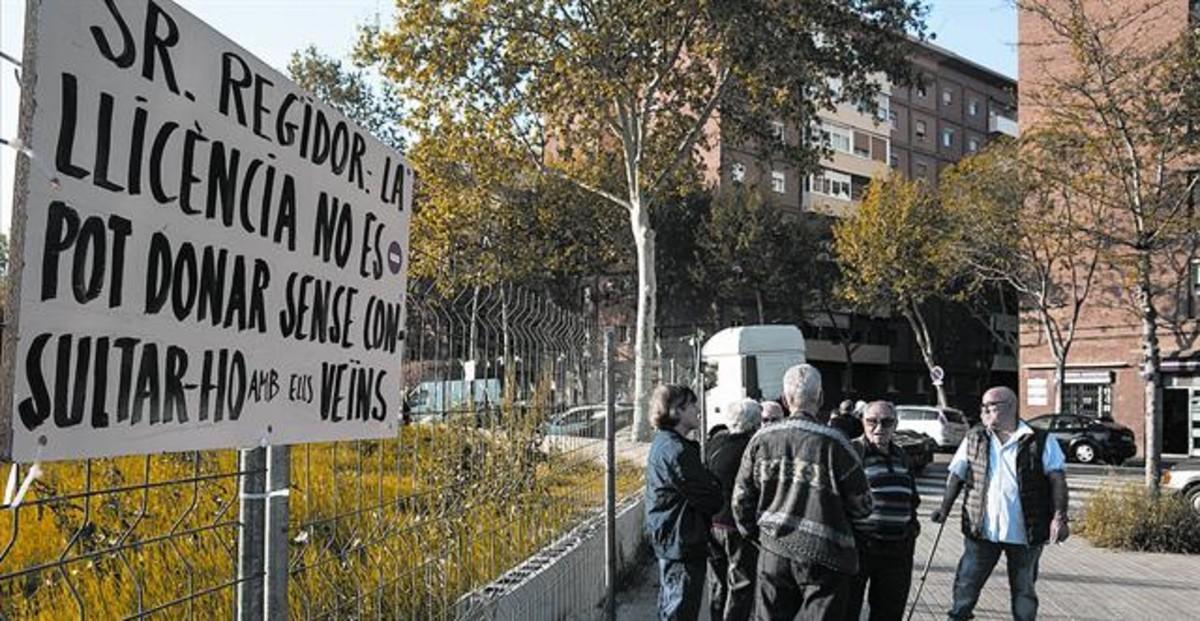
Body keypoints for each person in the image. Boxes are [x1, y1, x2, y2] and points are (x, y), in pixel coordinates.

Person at [732, 365, 874, 621]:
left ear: (785, 400)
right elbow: (863, 506)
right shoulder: (837, 444)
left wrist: (759, 537)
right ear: (820, 398)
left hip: (773, 553)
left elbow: (741, 500)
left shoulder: (761, 440)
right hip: (827, 559)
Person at [931, 386, 1069, 621]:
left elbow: (1057, 479)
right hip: (981, 530)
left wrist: (1059, 517)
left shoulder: (1040, 440)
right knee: (966, 583)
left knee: (1024, 590)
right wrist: (944, 508)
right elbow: (957, 474)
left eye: (990, 406)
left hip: (1026, 532)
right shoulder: (975, 437)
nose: (984, 411)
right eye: (983, 406)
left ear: (1011, 407)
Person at [645, 384, 724, 620]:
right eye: (691, 405)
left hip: (675, 540)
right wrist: (714, 487)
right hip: (682, 542)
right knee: (679, 611)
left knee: (673, 606)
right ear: (675, 411)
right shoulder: (676, 451)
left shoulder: (667, 443)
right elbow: (711, 497)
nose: (697, 410)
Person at [846, 401, 920, 621]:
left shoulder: (901, 455)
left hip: (898, 548)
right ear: (863, 422)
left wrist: (911, 528)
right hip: (861, 546)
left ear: (895, 424)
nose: (879, 427)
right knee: (848, 608)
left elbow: (912, 497)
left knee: (889, 611)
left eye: (887, 422)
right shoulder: (852, 452)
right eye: (872, 421)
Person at [706, 399, 762, 621]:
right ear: (755, 422)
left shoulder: (716, 443)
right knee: (741, 582)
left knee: (717, 581)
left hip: (712, 522)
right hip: (736, 524)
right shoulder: (752, 448)